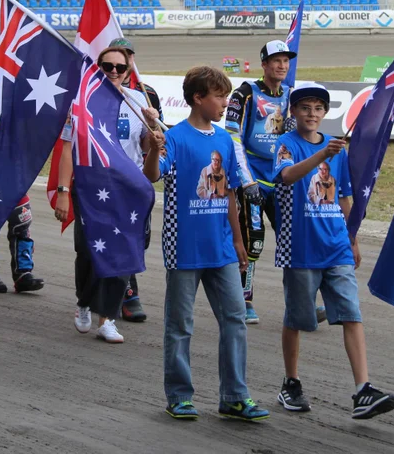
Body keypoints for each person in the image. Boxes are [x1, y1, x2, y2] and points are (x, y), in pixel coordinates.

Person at [142, 65, 269, 423]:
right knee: (180, 325)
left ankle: (234, 396)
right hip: (184, 248)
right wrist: (154, 150)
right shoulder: (176, 137)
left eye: (227, 95)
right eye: (219, 96)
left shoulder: (225, 140)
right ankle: (179, 396)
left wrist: (240, 239)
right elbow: (152, 175)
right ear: (198, 98)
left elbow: (229, 193)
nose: (225, 103)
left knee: (235, 320)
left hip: (223, 249)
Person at [272, 84, 394, 420]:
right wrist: (321, 156)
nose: (312, 114)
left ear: (326, 113)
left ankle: (363, 389)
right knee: (297, 318)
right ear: (294, 112)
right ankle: (291, 382)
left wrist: (351, 237)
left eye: (318, 109)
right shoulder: (286, 145)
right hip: (300, 247)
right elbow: (286, 176)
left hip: (336, 246)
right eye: (305, 108)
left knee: (351, 314)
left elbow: (343, 197)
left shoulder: (336, 151)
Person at [53, 47, 157, 341]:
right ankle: (84, 300)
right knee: (87, 250)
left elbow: (147, 148)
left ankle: (107, 318)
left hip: (129, 189)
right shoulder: (81, 101)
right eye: (106, 66)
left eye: (119, 68)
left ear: (127, 71)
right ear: (97, 68)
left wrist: (151, 126)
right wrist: (63, 191)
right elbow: (67, 148)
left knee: (123, 252)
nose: (113, 72)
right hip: (91, 185)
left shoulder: (137, 100)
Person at [225, 39, 302, 325]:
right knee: (252, 241)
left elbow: (296, 141)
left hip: (280, 180)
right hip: (252, 180)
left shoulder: (291, 96)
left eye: (286, 61)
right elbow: (232, 137)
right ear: (265, 64)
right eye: (276, 61)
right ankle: (243, 299)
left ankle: (300, 302)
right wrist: (246, 181)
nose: (282, 66)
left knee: (293, 241)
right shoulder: (245, 93)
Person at [109, 36, 162, 323]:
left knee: (138, 238)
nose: (119, 66)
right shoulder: (94, 93)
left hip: (134, 178)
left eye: (126, 58)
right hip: (103, 180)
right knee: (114, 237)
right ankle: (127, 293)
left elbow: (150, 144)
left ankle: (122, 287)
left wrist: (152, 125)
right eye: (114, 60)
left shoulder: (145, 95)